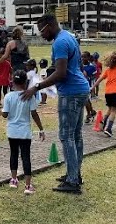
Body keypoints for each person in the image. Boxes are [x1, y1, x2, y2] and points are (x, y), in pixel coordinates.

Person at [21, 14, 90, 194]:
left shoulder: (59, 42)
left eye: (42, 31)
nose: (41, 35)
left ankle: (73, 181)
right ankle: (74, 174)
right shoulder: (69, 37)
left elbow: (61, 74)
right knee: (76, 136)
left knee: (66, 136)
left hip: (71, 93)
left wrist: (36, 87)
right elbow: (75, 66)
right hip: (81, 89)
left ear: (50, 26)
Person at [2, 69, 45, 195]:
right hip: (24, 132)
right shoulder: (28, 96)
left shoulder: (8, 96)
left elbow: (5, 114)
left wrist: (1, 112)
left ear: (13, 82)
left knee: (13, 154)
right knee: (26, 157)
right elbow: (34, 114)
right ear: (25, 82)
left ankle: (14, 179)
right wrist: (41, 129)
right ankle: (27, 185)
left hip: (12, 131)